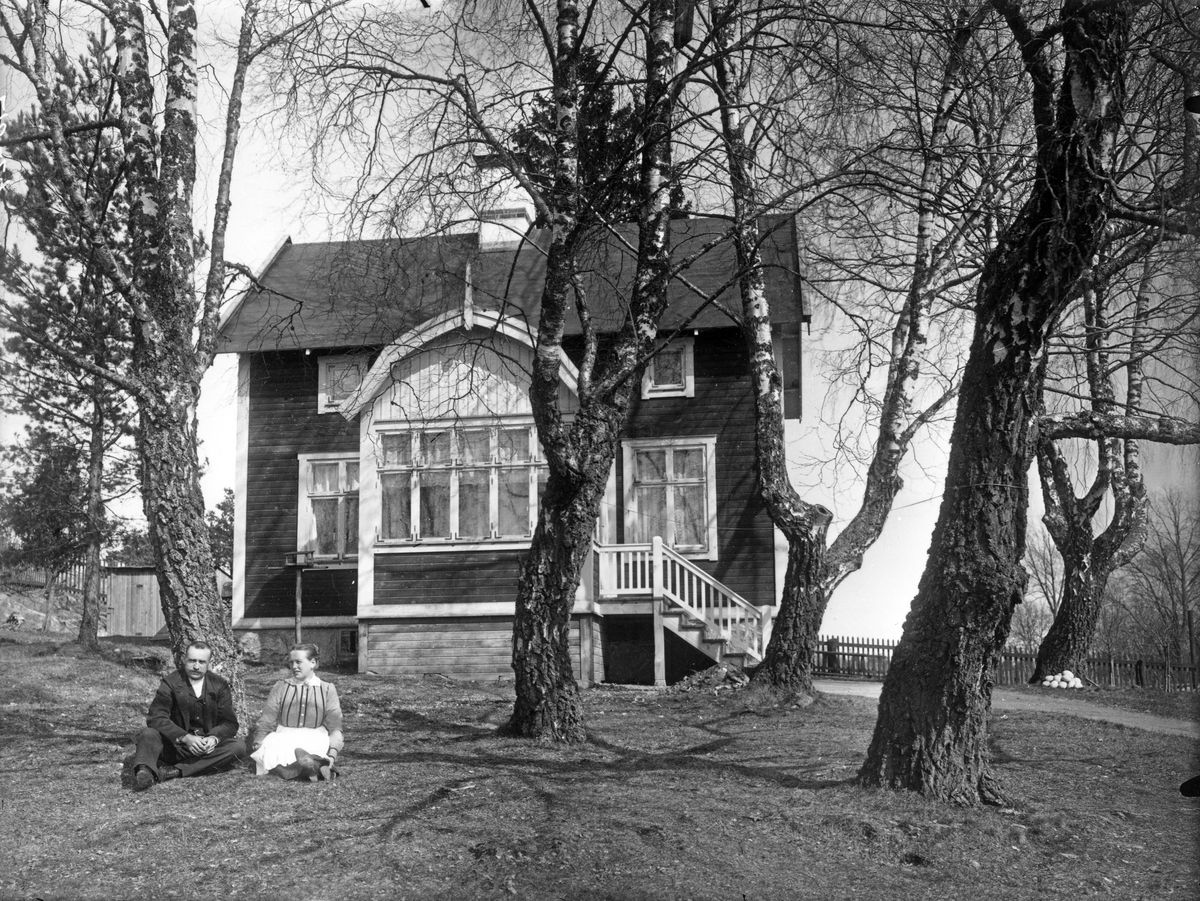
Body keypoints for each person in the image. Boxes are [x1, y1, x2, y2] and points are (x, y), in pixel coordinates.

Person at [132, 641, 246, 791]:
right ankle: (145, 771)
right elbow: (156, 717)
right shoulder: (171, 682)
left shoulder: (219, 685)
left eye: (201, 662)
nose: (196, 666)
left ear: (209, 663)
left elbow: (229, 723)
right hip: (175, 746)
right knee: (148, 733)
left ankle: (174, 772)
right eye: (192, 660)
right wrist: (185, 738)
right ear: (184, 659)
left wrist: (213, 738)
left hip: (205, 750)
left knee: (238, 746)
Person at [250, 643, 344, 781]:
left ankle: (310, 767)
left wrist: (332, 754)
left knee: (310, 751)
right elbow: (267, 718)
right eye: (291, 662)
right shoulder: (281, 687)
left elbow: (335, 725)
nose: (294, 666)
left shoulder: (327, 689)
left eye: (298, 662)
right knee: (272, 749)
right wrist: (259, 741)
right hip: (285, 736)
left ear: (312, 663)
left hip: (314, 736)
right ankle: (316, 768)